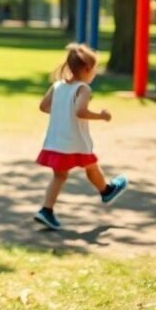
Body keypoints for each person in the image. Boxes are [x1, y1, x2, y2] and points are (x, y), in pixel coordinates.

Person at [34, 43, 128, 230]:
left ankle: (46, 210)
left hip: (56, 141)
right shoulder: (83, 89)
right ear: (86, 69)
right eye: (95, 69)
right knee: (91, 167)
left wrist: (61, 111)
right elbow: (80, 111)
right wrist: (101, 116)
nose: (95, 73)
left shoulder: (58, 85)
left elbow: (43, 107)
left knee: (59, 176)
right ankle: (106, 190)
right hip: (75, 141)